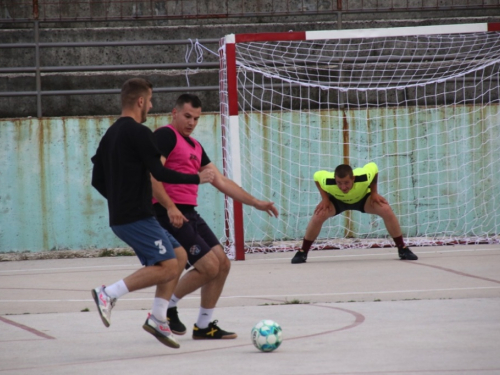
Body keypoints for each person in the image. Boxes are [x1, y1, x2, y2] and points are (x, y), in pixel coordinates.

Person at [90, 78, 214, 349]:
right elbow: (158, 173)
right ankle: (108, 293)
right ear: (141, 102)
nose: (152, 106)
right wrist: (196, 178)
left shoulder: (110, 134)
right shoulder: (140, 132)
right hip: (136, 215)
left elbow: (97, 179)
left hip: (124, 214)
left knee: (179, 255)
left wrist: (119, 199)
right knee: (168, 265)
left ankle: (158, 317)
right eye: (151, 100)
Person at [151, 93, 279, 340]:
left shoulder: (196, 146)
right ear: (174, 113)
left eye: (196, 119)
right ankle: (166, 306)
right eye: (187, 116)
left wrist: (255, 203)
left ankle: (203, 326)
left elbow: (220, 180)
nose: (191, 122)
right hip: (169, 211)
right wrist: (170, 207)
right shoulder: (166, 136)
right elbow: (153, 176)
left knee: (222, 264)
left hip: (188, 212)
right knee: (208, 266)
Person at [291, 162, 418, 264]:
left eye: (346, 182)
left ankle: (402, 249)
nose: (343, 187)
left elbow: (373, 167)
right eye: (339, 183)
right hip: (337, 201)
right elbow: (316, 177)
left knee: (385, 209)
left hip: (362, 199)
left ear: (353, 178)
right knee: (318, 216)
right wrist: (325, 199)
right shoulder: (328, 181)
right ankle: (303, 252)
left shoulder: (363, 176)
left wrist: (373, 192)